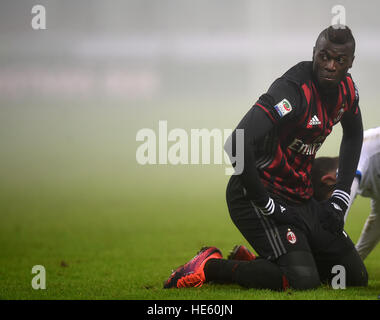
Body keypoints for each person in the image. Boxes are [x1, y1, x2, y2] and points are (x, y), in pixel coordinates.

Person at [164, 25, 368, 291]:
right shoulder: (292, 91)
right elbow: (236, 143)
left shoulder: (348, 91)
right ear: (314, 54)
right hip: (256, 194)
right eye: (324, 57)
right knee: (301, 281)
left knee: (352, 277)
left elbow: (353, 134)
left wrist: (340, 196)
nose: (330, 65)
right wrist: (267, 203)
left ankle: (266, 262)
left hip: (300, 197)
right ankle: (209, 265)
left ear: (350, 63)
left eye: (339, 60)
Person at [312, 127, 380, 261]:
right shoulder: (368, 167)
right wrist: (357, 260)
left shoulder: (359, 154)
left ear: (329, 180)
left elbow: (339, 214)